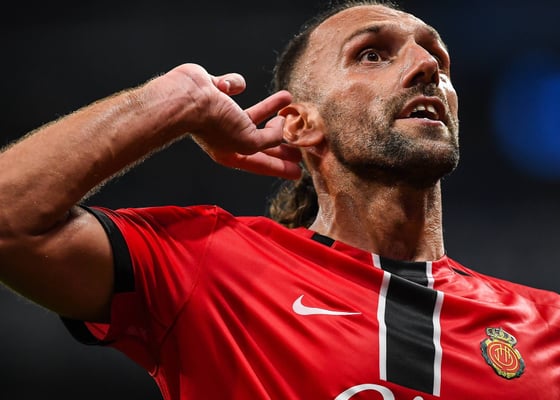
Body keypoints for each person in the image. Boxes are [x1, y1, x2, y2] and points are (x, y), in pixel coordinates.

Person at [0, 0, 559, 399]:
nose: (428, 66)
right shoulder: (209, 265)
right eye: (372, 55)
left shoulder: (547, 327)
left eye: (436, 55)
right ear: (298, 123)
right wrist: (172, 102)